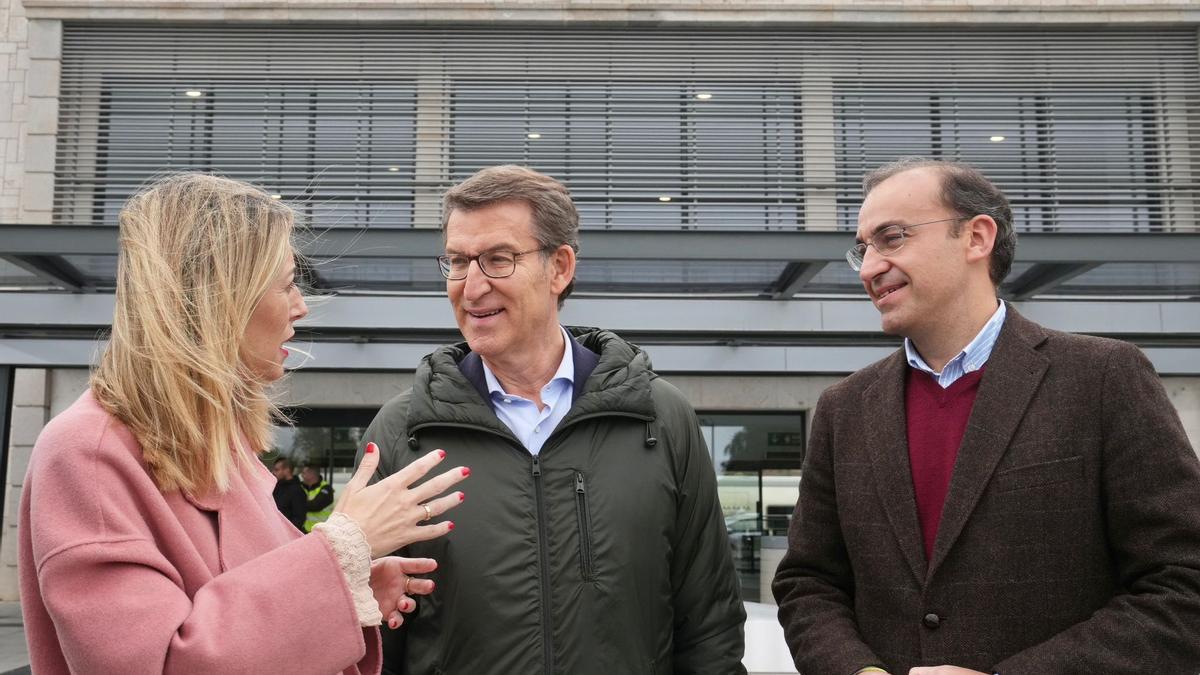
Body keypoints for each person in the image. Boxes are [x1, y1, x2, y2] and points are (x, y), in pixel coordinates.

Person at [19, 173, 470, 674]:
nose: (300, 307)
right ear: (219, 297)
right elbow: (161, 664)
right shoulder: (87, 453)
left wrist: (346, 591)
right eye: (287, 285)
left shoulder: (221, 449)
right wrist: (342, 549)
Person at [772, 157, 1200, 674]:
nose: (867, 269)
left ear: (976, 237)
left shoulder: (1104, 377)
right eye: (862, 250)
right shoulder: (844, 408)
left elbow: (1182, 584)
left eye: (891, 238)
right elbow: (808, 583)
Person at [359, 165, 746, 674]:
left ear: (559, 267)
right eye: (457, 262)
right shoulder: (403, 431)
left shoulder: (660, 417)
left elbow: (710, 624)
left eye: (497, 260)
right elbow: (372, 639)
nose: (471, 287)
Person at [272, 456, 308, 531]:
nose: (274, 473)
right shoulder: (276, 487)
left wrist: (284, 532)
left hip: (287, 536)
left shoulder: (297, 491)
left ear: (287, 470)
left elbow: (299, 519)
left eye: (277, 470)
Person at [301, 464, 335, 532]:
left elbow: (316, 505)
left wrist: (296, 504)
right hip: (304, 530)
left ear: (311, 474)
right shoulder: (302, 486)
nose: (301, 475)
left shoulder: (326, 488)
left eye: (304, 473)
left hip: (321, 531)